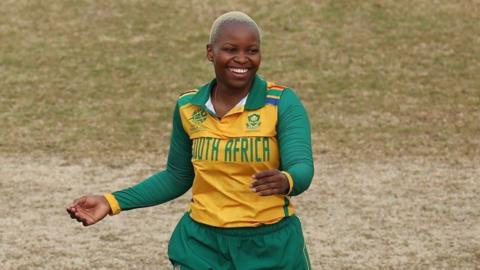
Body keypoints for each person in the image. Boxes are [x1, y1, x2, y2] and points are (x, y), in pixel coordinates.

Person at [67, 11, 314, 269]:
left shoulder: (281, 102)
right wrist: (111, 202)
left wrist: (287, 180)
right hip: (202, 245)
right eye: (230, 49)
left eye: (252, 51)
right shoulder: (188, 106)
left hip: (270, 245)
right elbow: (177, 176)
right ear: (210, 52)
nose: (242, 59)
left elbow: (302, 167)